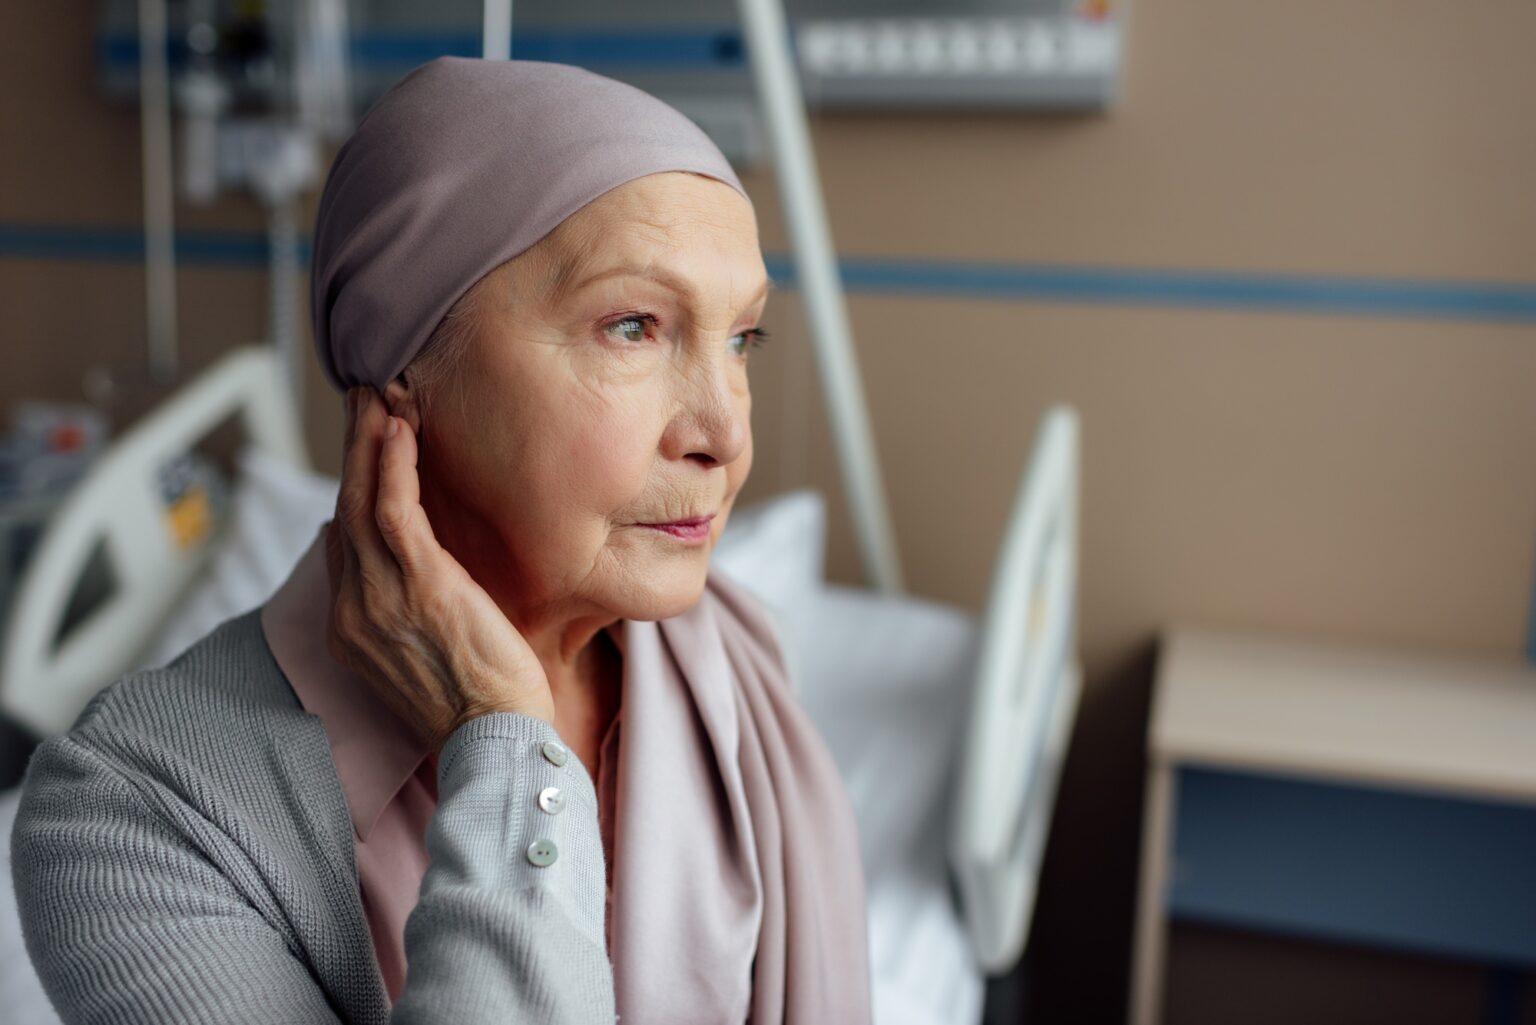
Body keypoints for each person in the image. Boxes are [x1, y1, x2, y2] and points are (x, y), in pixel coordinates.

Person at [10, 57, 871, 1024]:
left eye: (742, 340)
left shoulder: (732, 661)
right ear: (403, 368)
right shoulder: (139, 814)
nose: (725, 434)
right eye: (633, 325)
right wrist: (499, 744)